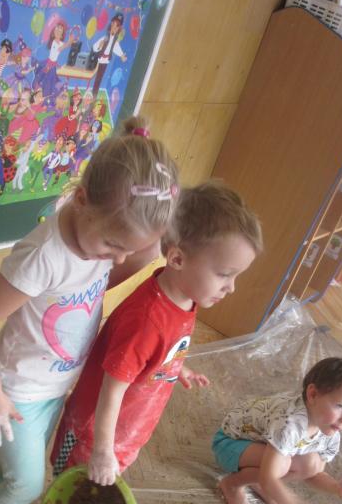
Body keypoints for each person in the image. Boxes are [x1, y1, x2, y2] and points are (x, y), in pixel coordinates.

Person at [0, 116, 179, 504]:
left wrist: (144, 252)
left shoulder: (100, 236)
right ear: (81, 199)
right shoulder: (44, 255)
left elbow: (117, 266)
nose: (118, 259)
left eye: (129, 249)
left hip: (55, 384)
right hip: (18, 390)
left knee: (14, 470)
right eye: (113, 246)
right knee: (28, 482)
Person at [51, 181, 262, 486]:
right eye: (224, 275)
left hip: (125, 434)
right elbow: (112, 391)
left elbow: (160, 349)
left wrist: (176, 367)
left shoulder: (185, 297)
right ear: (177, 259)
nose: (231, 288)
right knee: (68, 488)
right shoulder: (146, 321)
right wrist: (102, 452)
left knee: (90, 493)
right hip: (92, 437)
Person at [213, 357, 342, 504]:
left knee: (313, 464)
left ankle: (256, 482)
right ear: (313, 395)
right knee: (283, 465)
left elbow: (314, 474)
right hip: (228, 445)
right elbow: (269, 477)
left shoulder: (330, 433)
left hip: (259, 447)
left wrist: (337, 487)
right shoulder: (289, 423)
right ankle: (232, 484)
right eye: (340, 406)